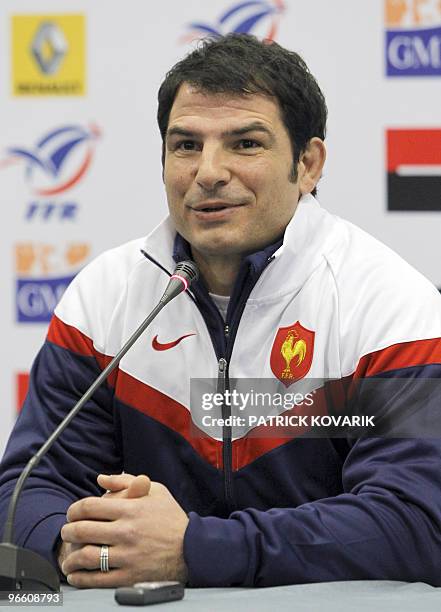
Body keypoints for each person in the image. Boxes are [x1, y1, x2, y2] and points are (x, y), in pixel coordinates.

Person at [1, 33, 441, 589]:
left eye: (245, 144)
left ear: (308, 164)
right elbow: (26, 489)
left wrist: (193, 549)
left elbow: (417, 524)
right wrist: (78, 545)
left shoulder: (390, 305)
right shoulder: (105, 295)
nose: (208, 171)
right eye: (185, 145)